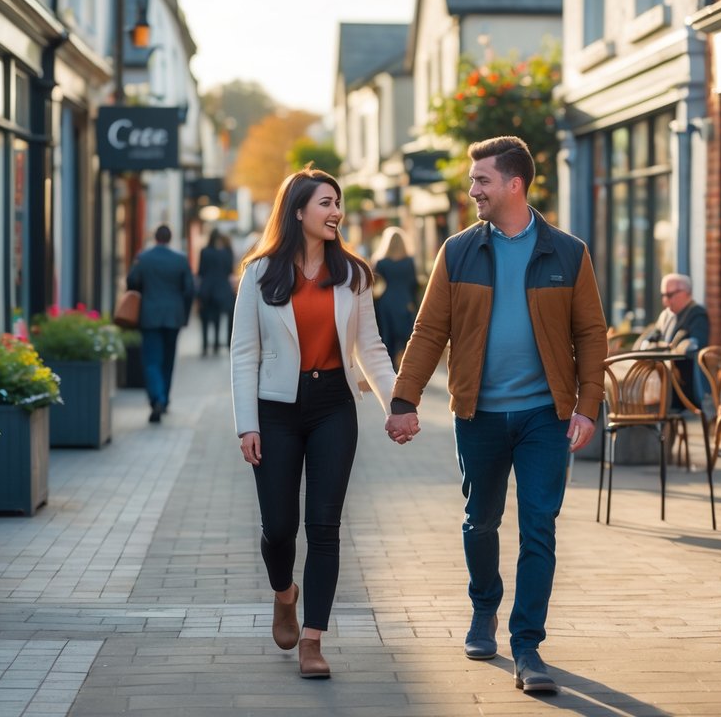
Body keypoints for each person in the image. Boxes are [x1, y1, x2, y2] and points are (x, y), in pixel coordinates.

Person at [384, 135, 607, 694]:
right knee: (480, 520)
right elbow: (430, 328)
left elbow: (591, 334)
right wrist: (405, 399)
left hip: (544, 417)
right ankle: (484, 606)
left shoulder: (568, 252)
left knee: (539, 527)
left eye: (481, 179)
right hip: (478, 412)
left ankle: (528, 645)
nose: (472, 188)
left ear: (514, 184)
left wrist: (586, 406)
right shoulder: (458, 251)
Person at [230, 167, 397, 680]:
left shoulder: (354, 274)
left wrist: (399, 405)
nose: (335, 211)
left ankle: (313, 640)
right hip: (275, 409)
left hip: (333, 406)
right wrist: (247, 424)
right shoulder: (259, 274)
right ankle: (286, 593)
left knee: (324, 526)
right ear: (298, 211)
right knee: (279, 527)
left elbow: (370, 347)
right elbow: (243, 354)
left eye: (337, 202)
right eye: (326, 202)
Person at [126, 224, 194, 424]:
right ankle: (164, 398)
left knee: (151, 360)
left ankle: (157, 397)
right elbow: (189, 290)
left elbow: (131, 281)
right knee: (168, 360)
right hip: (173, 317)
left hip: (149, 316)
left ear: (155, 238)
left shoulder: (143, 258)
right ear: (170, 238)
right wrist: (185, 315)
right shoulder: (180, 259)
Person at [638, 272, 710, 407]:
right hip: (660, 378)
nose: (665, 300)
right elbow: (651, 338)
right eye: (663, 295)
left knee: (640, 390)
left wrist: (676, 346)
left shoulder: (697, 314)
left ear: (686, 292)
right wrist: (649, 342)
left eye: (669, 295)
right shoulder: (666, 315)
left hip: (682, 385)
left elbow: (695, 345)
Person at [371, 226, 419, 368]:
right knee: (406, 340)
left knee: (388, 340)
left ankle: (391, 371)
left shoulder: (380, 262)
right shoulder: (409, 262)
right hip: (405, 303)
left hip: (385, 305)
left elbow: (375, 286)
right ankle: (405, 369)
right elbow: (414, 284)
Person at [197, 230, 236, 356]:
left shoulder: (204, 252)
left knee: (205, 318)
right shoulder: (225, 253)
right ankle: (216, 344)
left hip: (206, 289)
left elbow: (201, 271)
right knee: (218, 318)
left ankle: (204, 345)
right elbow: (229, 270)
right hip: (221, 289)